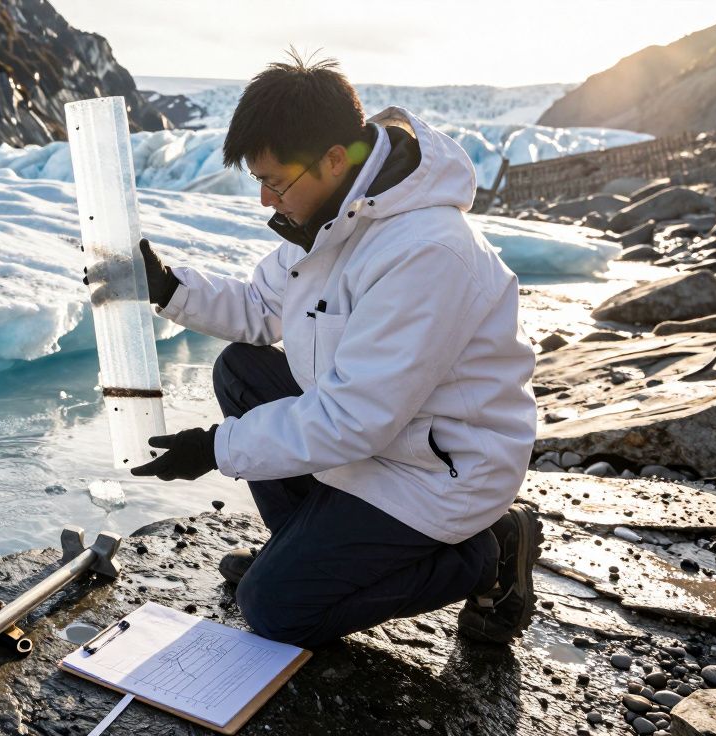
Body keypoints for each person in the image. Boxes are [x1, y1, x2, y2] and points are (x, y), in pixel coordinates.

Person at [121, 55, 541, 647]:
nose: (265, 199)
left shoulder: (426, 251)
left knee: (274, 609)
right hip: (381, 439)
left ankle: (486, 553)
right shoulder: (335, 218)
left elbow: (353, 417)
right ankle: (304, 550)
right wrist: (168, 288)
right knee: (241, 369)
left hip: (439, 469)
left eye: (275, 181)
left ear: (334, 159)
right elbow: (260, 309)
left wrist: (216, 448)